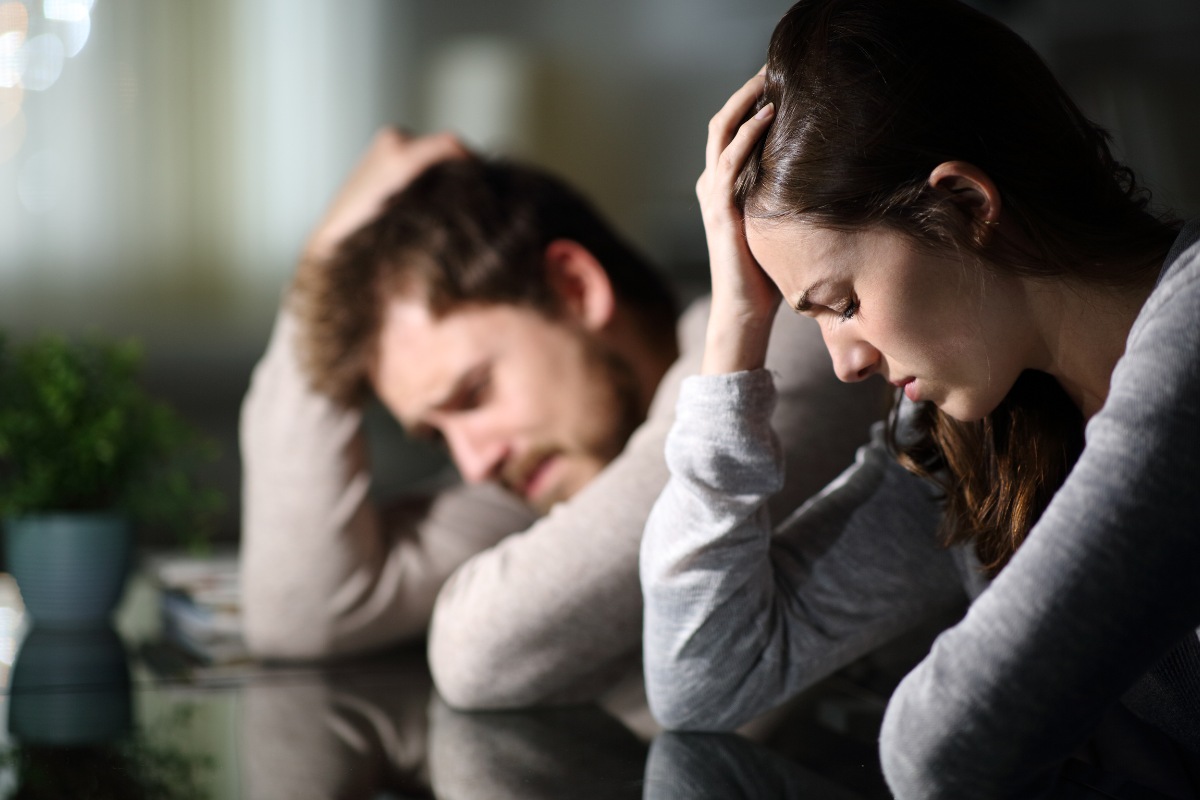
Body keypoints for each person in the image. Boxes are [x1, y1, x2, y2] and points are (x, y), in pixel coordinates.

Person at [639, 0, 1200, 796]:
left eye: (844, 303)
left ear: (965, 205)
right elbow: (705, 679)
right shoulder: (981, 434)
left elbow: (940, 749)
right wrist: (734, 324)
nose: (846, 364)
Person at [239, 129, 885, 725]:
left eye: (473, 394)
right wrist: (321, 266)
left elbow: (479, 648)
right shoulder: (538, 481)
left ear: (576, 287)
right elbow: (301, 614)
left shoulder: (781, 348)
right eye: (436, 436)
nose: (474, 464)